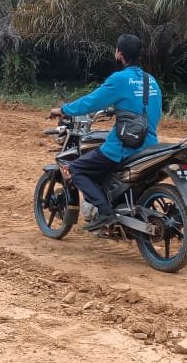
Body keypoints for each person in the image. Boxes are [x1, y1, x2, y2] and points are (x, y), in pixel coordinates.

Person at [49, 34, 162, 231]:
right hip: (150, 144)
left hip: (124, 146)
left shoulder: (119, 79)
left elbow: (91, 102)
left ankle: (105, 213)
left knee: (76, 169)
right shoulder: (150, 80)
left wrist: (63, 109)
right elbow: (154, 111)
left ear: (119, 53)